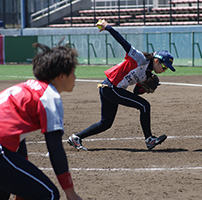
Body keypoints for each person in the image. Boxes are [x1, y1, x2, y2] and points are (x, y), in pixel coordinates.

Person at [68, 19, 175, 151]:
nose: (164, 71)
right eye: (164, 67)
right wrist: (108, 27)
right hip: (111, 87)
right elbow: (123, 42)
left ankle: (76, 137)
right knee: (144, 106)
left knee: (105, 123)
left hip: (111, 89)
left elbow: (136, 92)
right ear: (157, 61)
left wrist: (144, 88)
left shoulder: (147, 74)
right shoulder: (140, 58)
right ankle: (149, 139)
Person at [0, 40, 82, 200]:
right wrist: (70, 192)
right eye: (73, 72)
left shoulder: (27, 87)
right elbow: (55, 148)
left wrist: (22, 188)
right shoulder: (49, 97)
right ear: (61, 76)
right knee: (49, 194)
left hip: (4, 149)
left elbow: (18, 141)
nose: (75, 77)